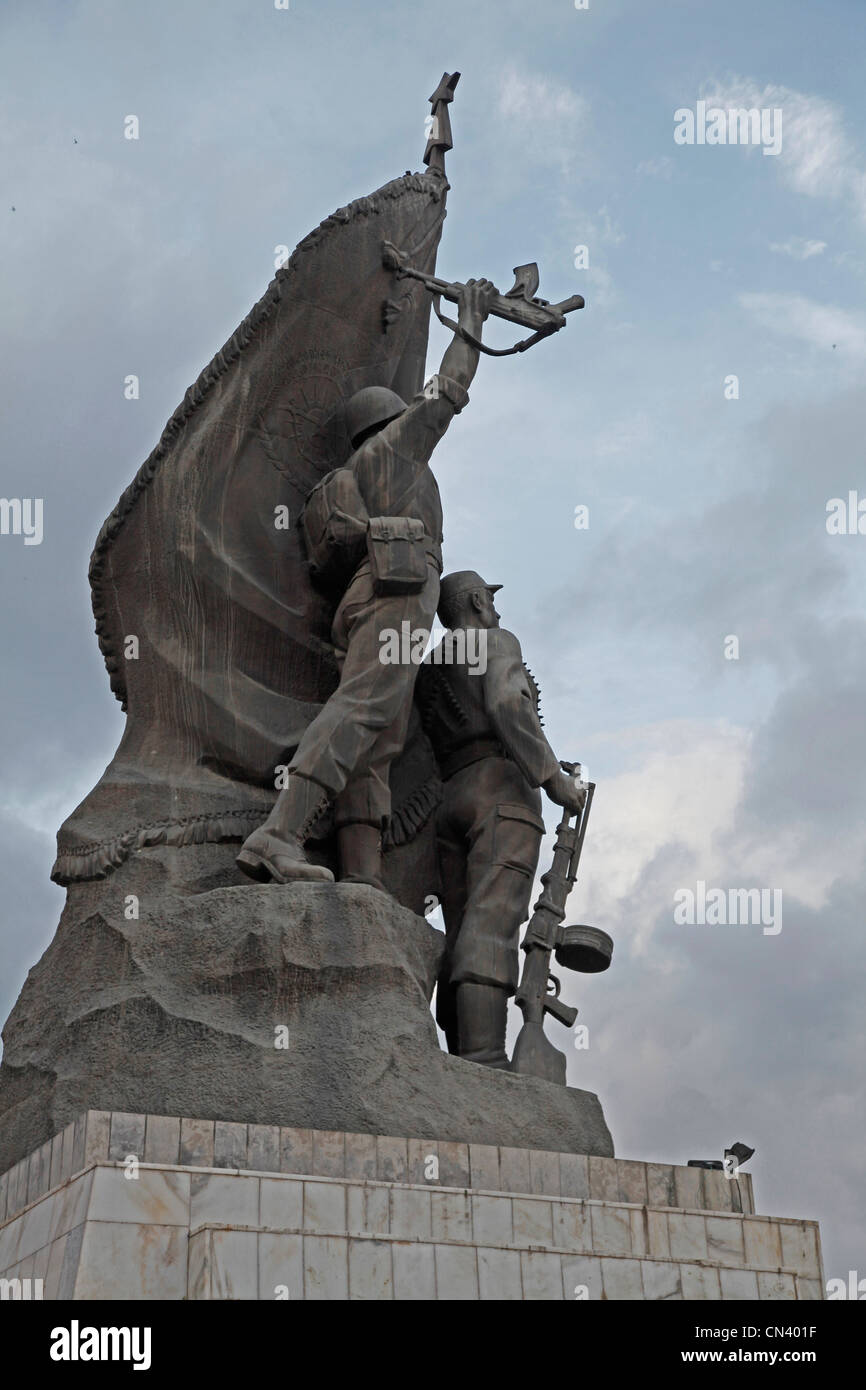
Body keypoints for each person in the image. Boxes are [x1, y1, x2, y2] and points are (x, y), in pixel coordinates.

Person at [237, 280, 498, 887]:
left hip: (369, 596)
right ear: (392, 420)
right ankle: (278, 834)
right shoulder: (394, 452)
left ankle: (362, 876)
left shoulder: (359, 469)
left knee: (379, 735)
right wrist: (471, 324)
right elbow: (447, 394)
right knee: (364, 710)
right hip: (397, 597)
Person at [416, 571, 585, 1067]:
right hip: (502, 792)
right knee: (493, 923)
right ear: (474, 601)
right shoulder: (495, 641)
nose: (496, 609)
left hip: (447, 801)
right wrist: (553, 778)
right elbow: (508, 702)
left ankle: (460, 1055)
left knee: (462, 928)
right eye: (490, 599)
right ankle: (485, 1060)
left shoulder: (430, 669)